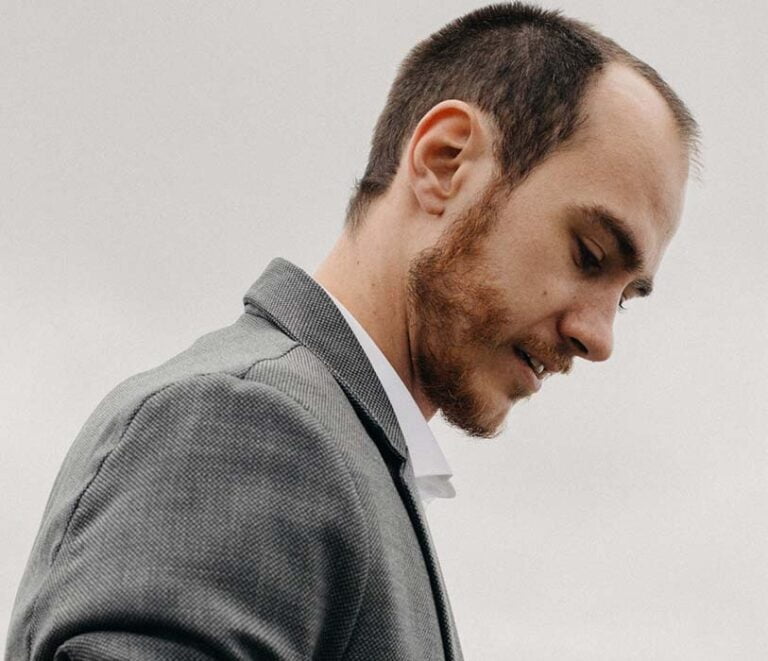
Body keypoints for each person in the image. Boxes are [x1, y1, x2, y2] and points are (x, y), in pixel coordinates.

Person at [6, 3, 698, 660]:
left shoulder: (342, 451)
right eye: (589, 254)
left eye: (626, 297)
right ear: (445, 162)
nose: (599, 337)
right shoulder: (251, 425)